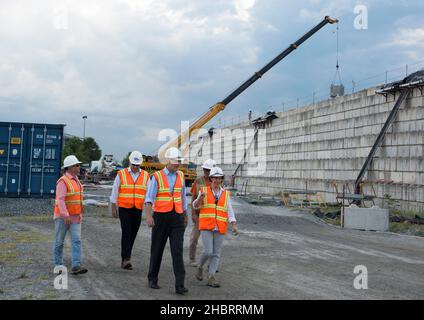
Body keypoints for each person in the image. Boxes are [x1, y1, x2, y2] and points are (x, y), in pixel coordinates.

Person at [144, 147, 189, 295]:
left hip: (177, 217)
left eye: (179, 162)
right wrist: (149, 216)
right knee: (157, 248)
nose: (178, 164)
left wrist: (185, 214)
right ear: (169, 160)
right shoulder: (156, 177)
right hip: (161, 217)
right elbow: (149, 199)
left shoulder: (181, 176)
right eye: (176, 161)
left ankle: (180, 285)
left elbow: (182, 197)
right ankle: (152, 278)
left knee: (177, 250)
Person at [192, 166, 239, 288]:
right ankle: (200, 267)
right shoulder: (204, 191)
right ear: (211, 178)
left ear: (222, 179)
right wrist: (199, 200)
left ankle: (211, 277)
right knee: (208, 251)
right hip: (206, 226)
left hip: (220, 226)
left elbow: (229, 210)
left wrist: (233, 224)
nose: (217, 180)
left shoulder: (225, 194)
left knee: (216, 253)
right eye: (215, 178)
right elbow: (195, 205)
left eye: (219, 178)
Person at [110, 150, 149, 270]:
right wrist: (113, 206)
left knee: (133, 234)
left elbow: (148, 193)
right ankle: (126, 258)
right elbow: (115, 190)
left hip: (137, 208)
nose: (135, 167)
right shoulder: (121, 174)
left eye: (137, 165)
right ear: (129, 162)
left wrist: (150, 209)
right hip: (124, 208)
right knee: (126, 232)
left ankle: (125, 257)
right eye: (133, 165)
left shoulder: (146, 176)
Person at [53, 155, 88, 275]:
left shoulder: (76, 180)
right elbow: (60, 200)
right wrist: (65, 215)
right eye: (77, 165)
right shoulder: (63, 181)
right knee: (59, 241)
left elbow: (77, 200)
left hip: (75, 217)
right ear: (70, 167)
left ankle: (76, 265)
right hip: (63, 217)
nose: (79, 167)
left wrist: (79, 215)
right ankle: (58, 265)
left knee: (77, 241)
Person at [188, 159, 216, 266]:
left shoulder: (217, 182)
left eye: (208, 170)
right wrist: (193, 214)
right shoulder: (198, 181)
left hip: (212, 216)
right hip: (200, 215)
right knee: (194, 238)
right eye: (205, 170)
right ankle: (192, 259)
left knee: (212, 240)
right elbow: (193, 198)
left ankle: (211, 263)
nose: (206, 172)